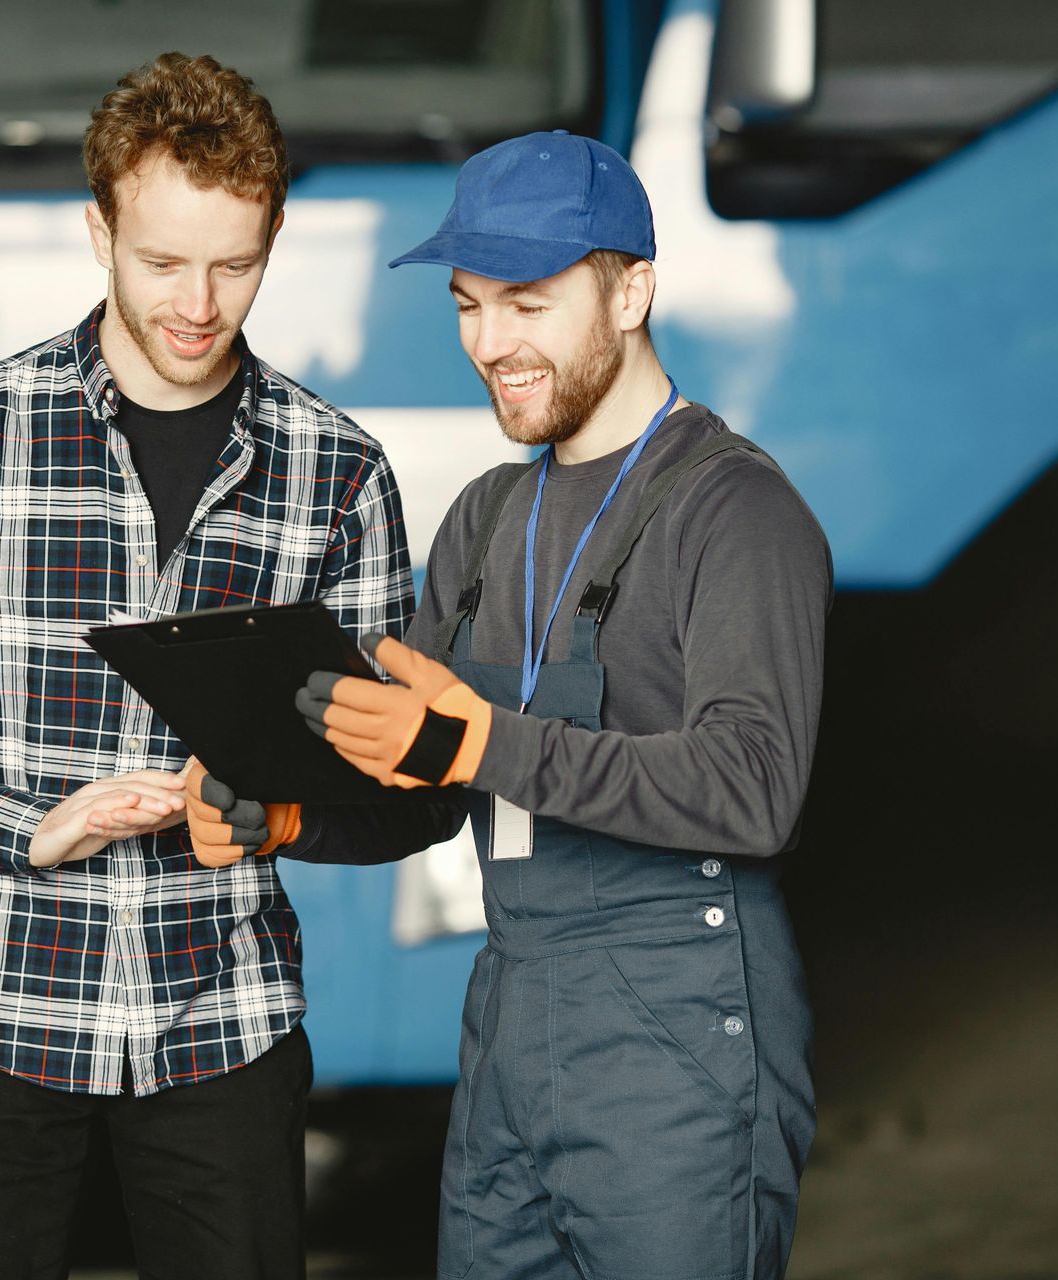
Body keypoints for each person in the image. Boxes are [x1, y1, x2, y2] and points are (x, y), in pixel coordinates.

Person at [0, 53, 427, 1280]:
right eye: (163, 261)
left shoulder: (340, 473)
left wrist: (281, 808)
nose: (199, 302)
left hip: (222, 1029)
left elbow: (402, 788)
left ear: (275, 238)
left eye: (235, 264)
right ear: (99, 232)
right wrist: (22, 825)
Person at [187, 132, 831, 1279]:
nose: (492, 345)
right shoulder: (484, 519)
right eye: (469, 305)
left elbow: (753, 789)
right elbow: (429, 793)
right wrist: (289, 818)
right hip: (510, 1029)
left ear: (631, 289)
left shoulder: (734, 512)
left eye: (528, 303)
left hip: (677, 1045)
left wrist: (481, 736)